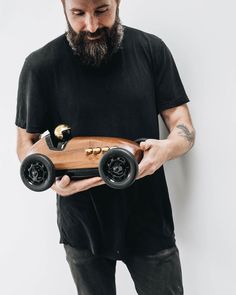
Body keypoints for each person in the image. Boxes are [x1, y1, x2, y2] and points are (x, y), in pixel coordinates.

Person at [15, 0, 196, 294]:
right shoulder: (40, 65)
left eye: (102, 10)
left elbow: (181, 122)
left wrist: (168, 148)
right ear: (62, 6)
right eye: (78, 13)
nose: (91, 25)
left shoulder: (151, 50)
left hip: (149, 219)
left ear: (118, 2)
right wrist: (52, 184)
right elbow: (26, 143)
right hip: (82, 228)